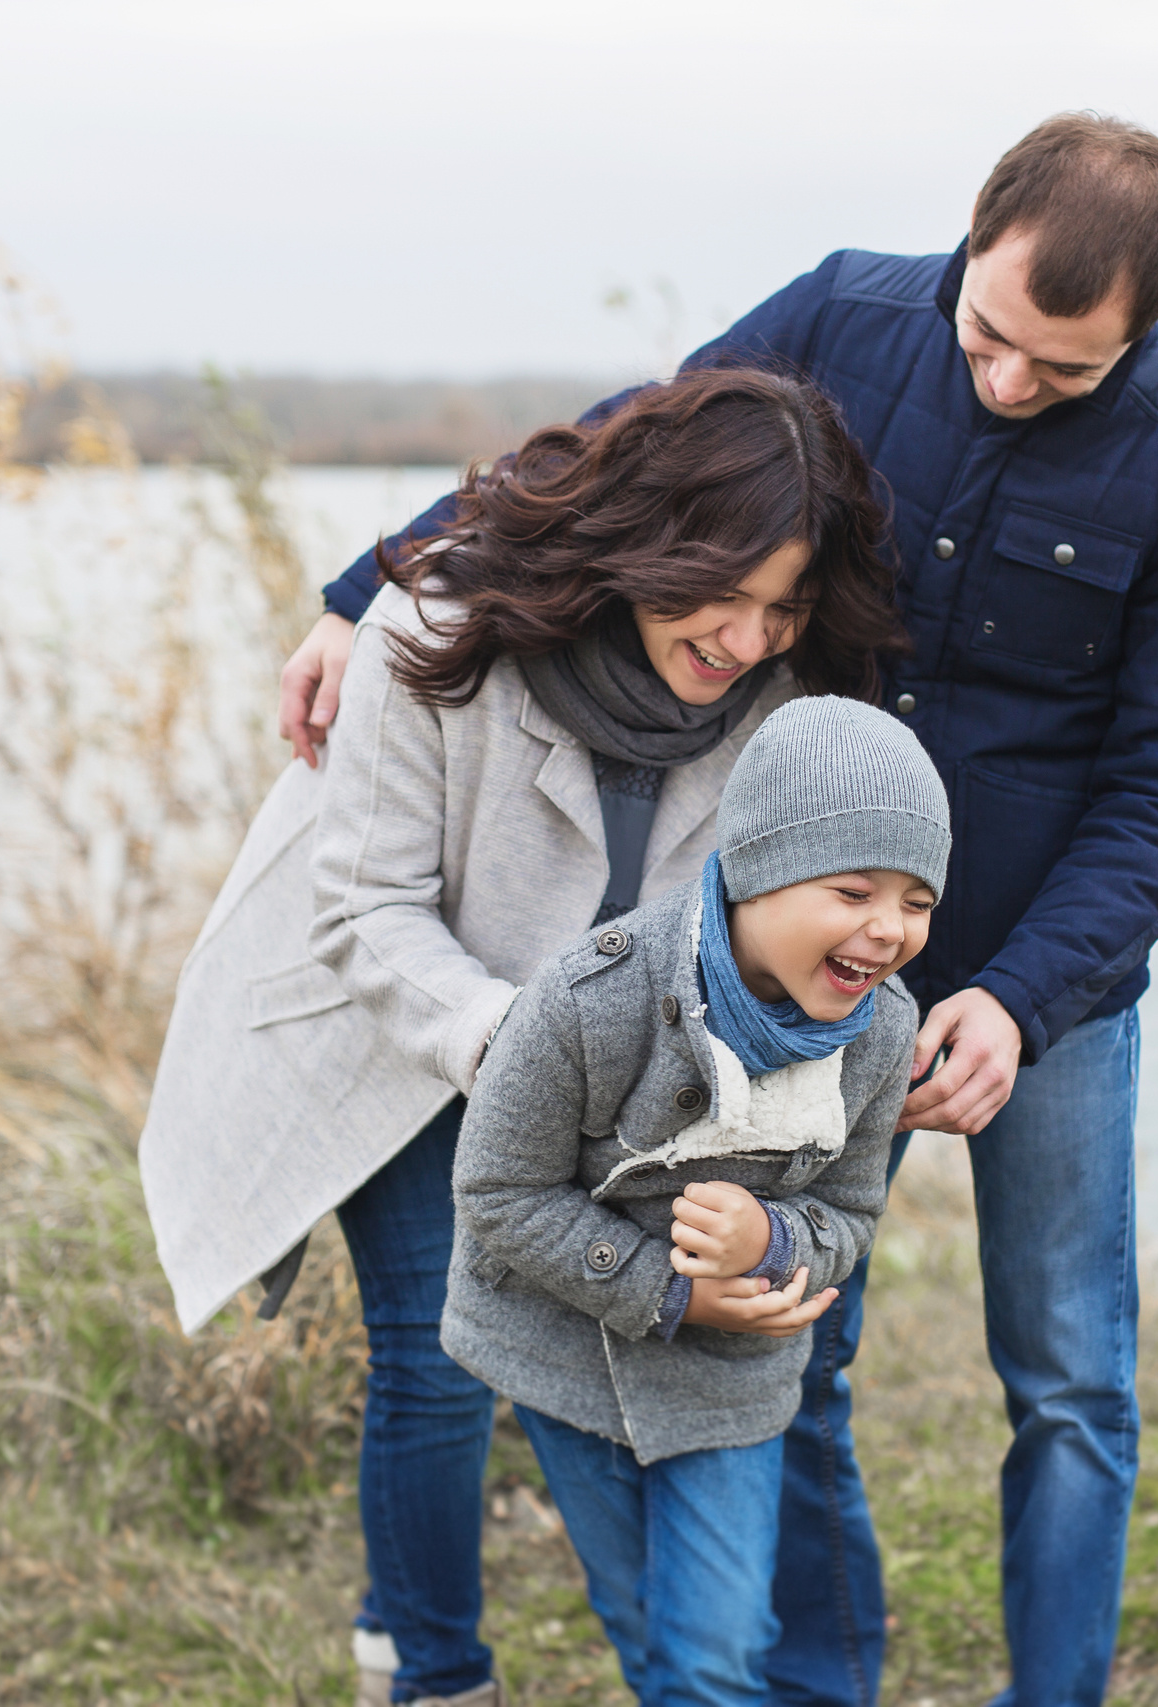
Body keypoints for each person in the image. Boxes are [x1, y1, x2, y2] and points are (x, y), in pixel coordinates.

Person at [278, 113, 1158, 1707]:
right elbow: (617, 466)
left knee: (1073, 1382)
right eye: (991, 336)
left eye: (1064, 371)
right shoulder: (840, 316)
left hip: (1046, 983)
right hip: (786, 969)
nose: (1007, 382)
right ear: (970, 241)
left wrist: (1016, 997)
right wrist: (365, 589)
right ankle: (816, 1688)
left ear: (1143, 329)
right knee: (786, 1337)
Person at [140, 364, 906, 1707]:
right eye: (721, 588)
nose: (745, 632)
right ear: (649, 537)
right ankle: (433, 1671)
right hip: (403, 1018)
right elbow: (368, 905)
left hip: (616, 1072)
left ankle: (594, 1632)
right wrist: (521, 1043)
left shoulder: (779, 709)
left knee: (581, 1319)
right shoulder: (435, 626)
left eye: (784, 602)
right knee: (433, 1345)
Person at [446, 697, 946, 1706]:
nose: (888, 929)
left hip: (735, 1375)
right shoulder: (590, 998)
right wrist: (665, 1291)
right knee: (646, 1625)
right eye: (853, 890)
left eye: (918, 901)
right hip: (565, 1350)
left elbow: (850, 1211)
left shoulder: (882, 1031)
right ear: (756, 867)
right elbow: (496, 1190)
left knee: (711, 1648)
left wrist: (774, 1240)